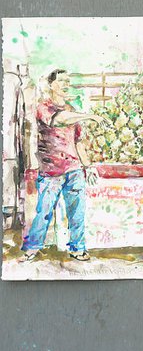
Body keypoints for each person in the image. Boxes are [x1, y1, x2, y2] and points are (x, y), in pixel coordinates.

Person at [20, 69, 107, 262]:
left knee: (77, 213)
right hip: (51, 171)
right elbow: (59, 120)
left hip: (74, 169)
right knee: (44, 211)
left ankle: (78, 248)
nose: (66, 84)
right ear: (51, 85)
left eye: (68, 81)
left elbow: (78, 142)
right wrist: (90, 116)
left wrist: (88, 166)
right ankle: (32, 248)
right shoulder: (43, 107)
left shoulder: (72, 110)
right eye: (61, 81)